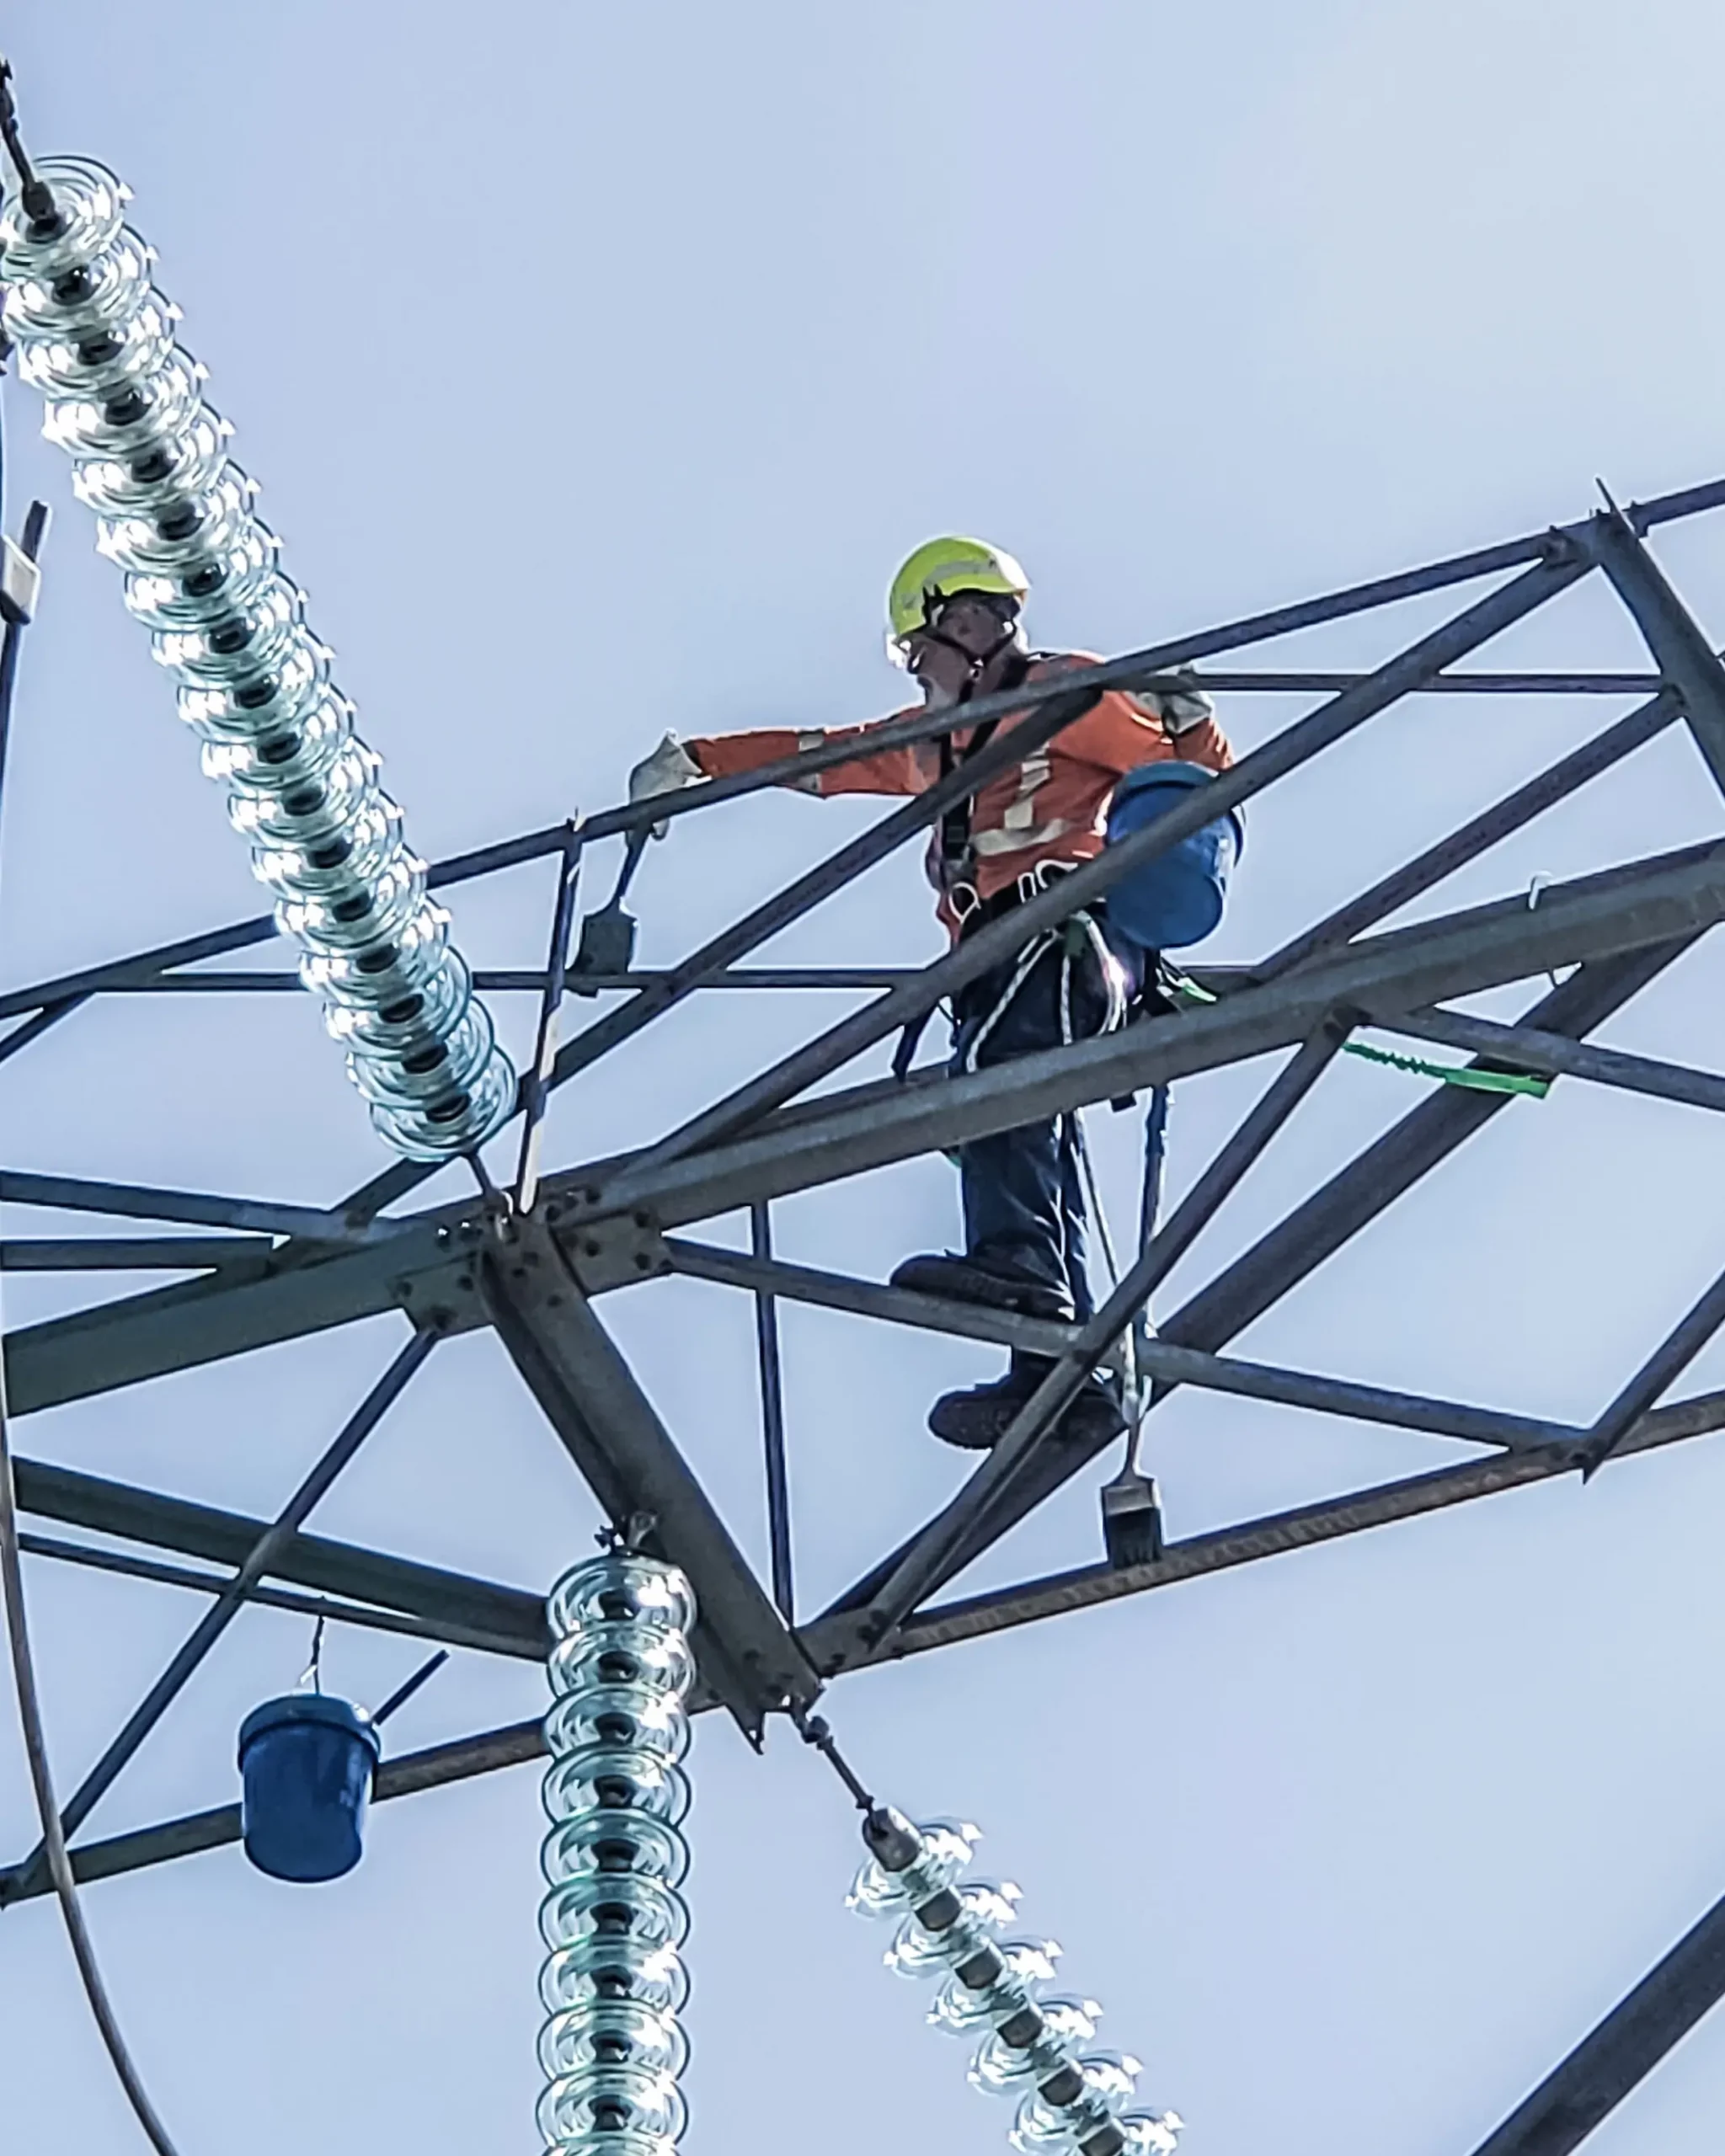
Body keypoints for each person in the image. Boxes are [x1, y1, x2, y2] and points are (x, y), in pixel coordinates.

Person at [628, 536, 1233, 1449]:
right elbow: (826, 758)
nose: (917, 670)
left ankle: (1020, 1272)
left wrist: (1187, 719)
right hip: (997, 952)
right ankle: (1053, 1365)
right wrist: (703, 760)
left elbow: (1190, 778)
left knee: (997, 1087)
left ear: (966, 621)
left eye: (923, 649)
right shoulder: (938, 748)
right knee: (1018, 1116)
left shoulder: (1062, 693)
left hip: (1065, 927)